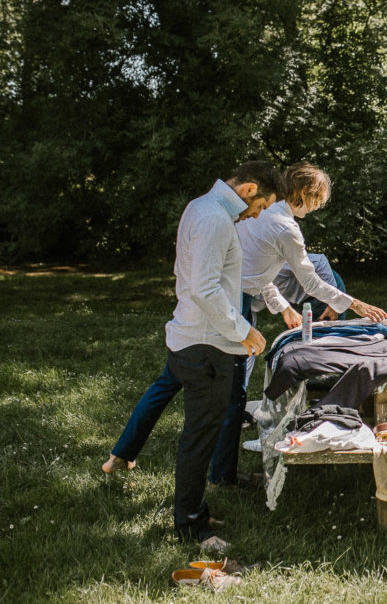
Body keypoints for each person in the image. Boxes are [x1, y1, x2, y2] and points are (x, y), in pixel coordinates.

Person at [109, 161, 283, 553]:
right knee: (199, 437)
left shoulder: (202, 207)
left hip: (199, 336)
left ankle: (195, 510)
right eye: (260, 206)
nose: (256, 215)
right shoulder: (215, 219)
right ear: (249, 190)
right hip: (205, 344)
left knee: (201, 434)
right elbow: (205, 288)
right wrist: (244, 330)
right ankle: (189, 525)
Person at [210, 162, 387, 486]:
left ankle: (221, 471)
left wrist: (282, 308)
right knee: (233, 391)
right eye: (318, 198)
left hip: (234, 297)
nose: (319, 205)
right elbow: (312, 283)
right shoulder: (285, 227)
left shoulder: (262, 212)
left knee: (230, 389)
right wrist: (356, 304)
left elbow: (254, 270)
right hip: (234, 305)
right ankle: (221, 476)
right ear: (305, 193)